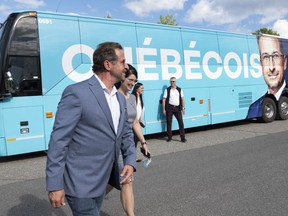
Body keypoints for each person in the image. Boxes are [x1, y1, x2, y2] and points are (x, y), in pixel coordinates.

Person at [46, 42, 136, 216]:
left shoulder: (119, 98)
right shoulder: (76, 93)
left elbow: (125, 134)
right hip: (80, 184)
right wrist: (55, 184)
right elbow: (59, 141)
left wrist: (130, 161)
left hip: (103, 181)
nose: (126, 66)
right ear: (108, 65)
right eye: (123, 61)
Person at [107, 64, 149, 216]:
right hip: (115, 146)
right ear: (122, 78)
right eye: (130, 80)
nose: (132, 83)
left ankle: (92, 199)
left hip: (128, 145)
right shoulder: (112, 97)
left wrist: (143, 143)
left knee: (116, 181)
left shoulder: (131, 98)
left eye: (135, 80)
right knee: (126, 180)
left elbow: (135, 122)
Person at [247, 35, 288, 118]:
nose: (271, 67)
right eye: (265, 57)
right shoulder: (253, 108)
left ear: (284, 62)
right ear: (261, 64)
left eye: (275, 56)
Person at [162, 77, 187, 142]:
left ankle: (182, 137)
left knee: (181, 122)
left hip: (178, 108)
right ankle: (169, 137)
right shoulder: (167, 90)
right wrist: (164, 109)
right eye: (171, 81)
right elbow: (164, 99)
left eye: (173, 81)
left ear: (176, 82)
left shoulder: (179, 89)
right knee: (169, 122)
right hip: (169, 108)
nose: (172, 82)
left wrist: (183, 108)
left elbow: (182, 99)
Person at [132, 82, 145, 147]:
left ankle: (133, 156)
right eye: (141, 88)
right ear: (137, 88)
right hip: (132, 123)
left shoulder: (140, 98)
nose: (143, 89)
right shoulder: (133, 97)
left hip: (137, 123)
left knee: (135, 141)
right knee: (133, 141)